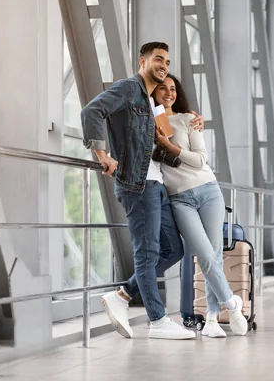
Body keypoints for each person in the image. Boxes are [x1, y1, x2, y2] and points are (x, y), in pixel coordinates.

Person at [80, 42, 203, 340]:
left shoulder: (151, 102)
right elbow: (91, 111)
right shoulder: (128, 89)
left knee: (174, 248)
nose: (164, 65)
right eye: (158, 59)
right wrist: (102, 155)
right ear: (143, 61)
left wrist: (194, 118)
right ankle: (157, 321)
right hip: (137, 184)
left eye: (168, 61)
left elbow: (166, 142)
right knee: (146, 253)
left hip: (157, 183)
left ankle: (122, 295)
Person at [152, 74, 249, 337]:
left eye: (173, 89)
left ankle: (212, 320)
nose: (169, 93)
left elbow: (200, 161)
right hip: (179, 198)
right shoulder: (147, 123)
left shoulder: (188, 119)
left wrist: (169, 146)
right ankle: (232, 303)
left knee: (214, 255)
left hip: (208, 191)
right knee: (204, 255)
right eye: (163, 88)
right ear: (153, 91)